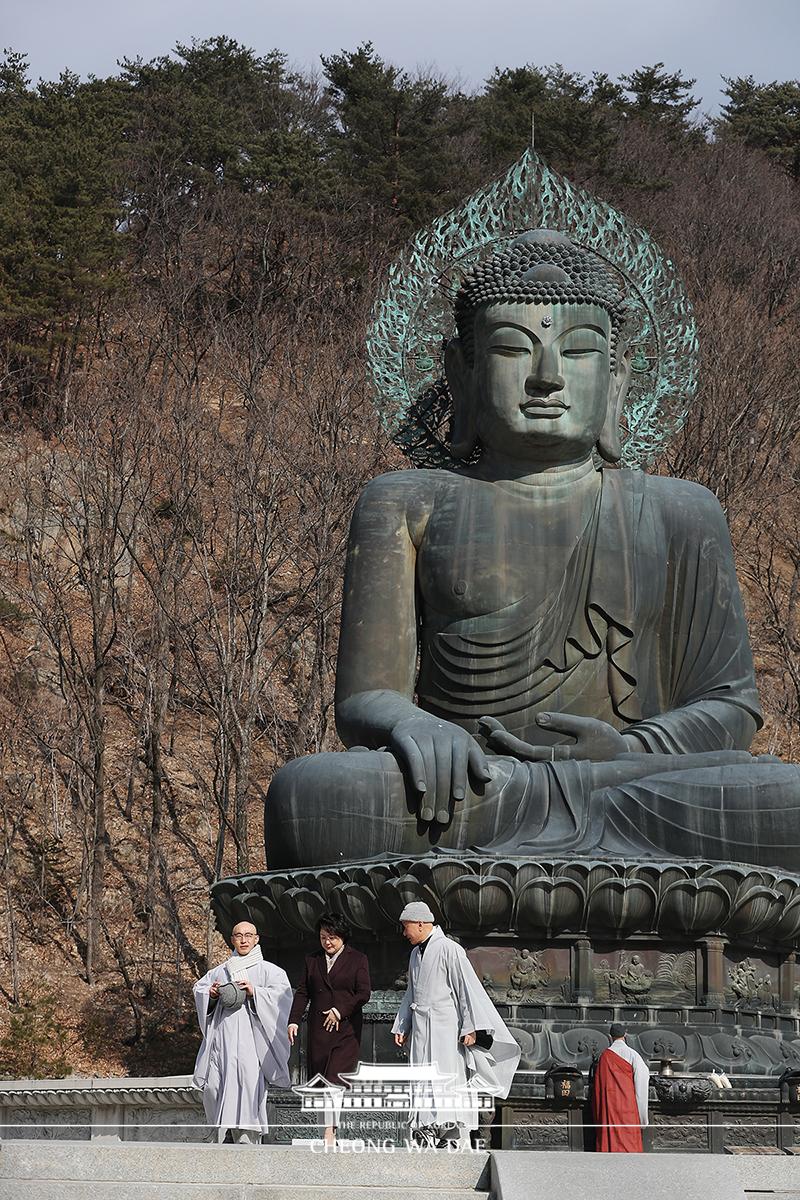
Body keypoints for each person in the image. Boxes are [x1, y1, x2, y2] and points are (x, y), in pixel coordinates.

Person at [265, 229, 800, 870]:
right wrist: (416, 726)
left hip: (634, 782)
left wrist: (634, 750)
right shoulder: (406, 499)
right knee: (314, 795)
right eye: (514, 348)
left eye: (577, 351)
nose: (546, 378)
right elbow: (364, 697)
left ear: (617, 375)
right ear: (461, 373)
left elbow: (730, 705)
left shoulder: (680, 510)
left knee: (785, 801)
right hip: (473, 787)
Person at [392, 901, 520, 1148]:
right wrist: (403, 1023)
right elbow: (412, 992)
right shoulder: (414, 954)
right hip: (421, 1026)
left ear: (420, 923)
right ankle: (426, 1130)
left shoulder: (450, 949)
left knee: (447, 1078)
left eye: (406, 927)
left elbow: (466, 989)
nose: (404, 933)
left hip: (445, 1027)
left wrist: (470, 1026)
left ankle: (450, 1134)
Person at [193, 919, 292, 1143]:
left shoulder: (270, 971)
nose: (244, 939)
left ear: (256, 939)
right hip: (222, 1038)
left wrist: (255, 992)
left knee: (248, 1082)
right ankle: (221, 1130)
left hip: (251, 1038)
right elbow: (199, 989)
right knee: (213, 1086)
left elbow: (283, 997)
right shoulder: (220, 971)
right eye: (239, 935)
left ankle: (246, 1134)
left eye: (248, 935)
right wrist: (212, 993)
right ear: (232, 940)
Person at [287, 911, 371, 1146]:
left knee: (335, 1079)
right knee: (322, 1081)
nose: (327, 942)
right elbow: (303, 992)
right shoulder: (312, 960)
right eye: (323, 937)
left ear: (342, 937)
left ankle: (329, 1132)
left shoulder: (358, 959)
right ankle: (328, 1126)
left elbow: (364, 993)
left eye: (332, 937)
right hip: (318, 1030)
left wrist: (340, 1010)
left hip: (346, 1030)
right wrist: (293, 1020)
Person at [591, 1023, 650, 1152]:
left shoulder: (604, 1057)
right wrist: (643, 1117)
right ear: (625, 1035)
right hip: (628, 1108)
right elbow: (642, 1083)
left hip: (609, 1107)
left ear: (610, 1036)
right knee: (629, 1147)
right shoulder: (633, 1055)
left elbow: (598, 1089)